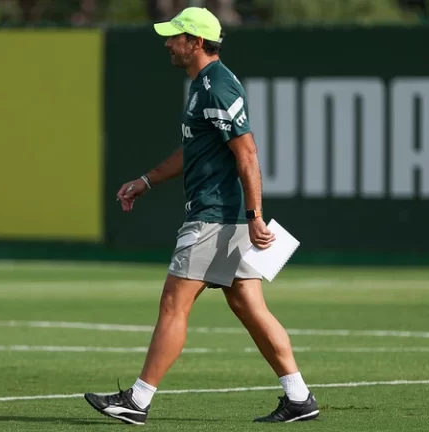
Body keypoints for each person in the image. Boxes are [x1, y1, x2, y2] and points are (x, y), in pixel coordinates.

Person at [83, 6, 319, 425]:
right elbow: (193, 150)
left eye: (175, 37)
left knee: (174, 303)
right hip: (224, 217)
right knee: (249, 306)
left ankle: (137, 400)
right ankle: (299, 397)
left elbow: (246, 153)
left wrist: (254, 215)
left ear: (195, 42)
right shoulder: (202, 85)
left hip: (216, 217)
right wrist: (147, 180)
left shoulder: (218, 85)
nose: (168, 43)